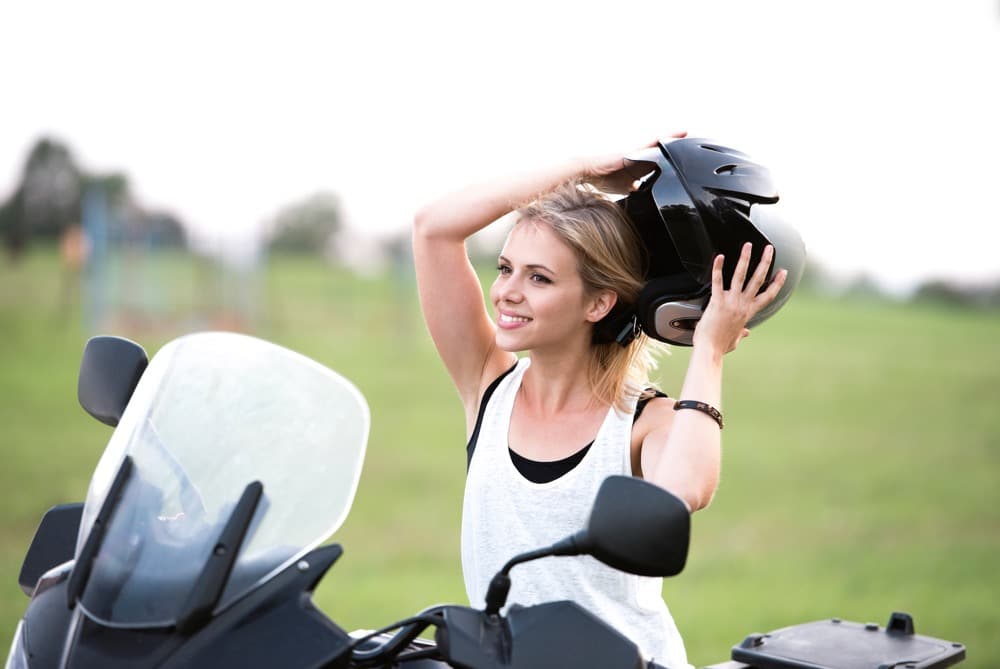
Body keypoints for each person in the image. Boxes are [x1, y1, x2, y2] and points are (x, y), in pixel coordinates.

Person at [412, 136, 790, 668]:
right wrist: (579, 171)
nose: (506, 292)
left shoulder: (642, 421)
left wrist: (710, 347)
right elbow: (434, 229)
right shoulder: (487, 387)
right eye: (504, 268)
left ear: (598, 301)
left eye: (538, 277)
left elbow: (686, 489)